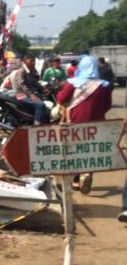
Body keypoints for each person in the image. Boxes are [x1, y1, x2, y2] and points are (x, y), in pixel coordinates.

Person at [56, 56, 112, 195]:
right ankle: (88, 174)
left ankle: (75, 180)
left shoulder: (72, 82)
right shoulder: (104, 85)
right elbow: (107, 105)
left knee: (75, 149)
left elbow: (62, 99)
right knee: (91, 149)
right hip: (97, 122)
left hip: (75, 120)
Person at [12, 54, 46, 125]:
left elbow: (35, 82)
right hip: (21, 94)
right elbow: (22, 84)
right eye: (31, 61)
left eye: (34, 61)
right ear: (25, 61)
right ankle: (37, 124)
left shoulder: (32, 70)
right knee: (40, 105)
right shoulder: (22, 71)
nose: (33, 63)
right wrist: (31, 95)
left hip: (30, 93)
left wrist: (43, 88)